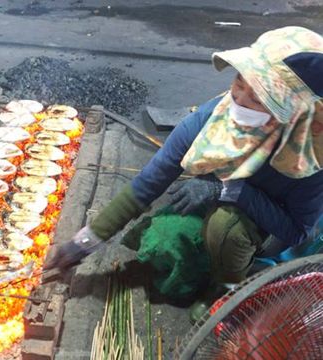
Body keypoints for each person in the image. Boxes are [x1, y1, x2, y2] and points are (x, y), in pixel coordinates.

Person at [44, 26, 323, 319]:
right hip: (221, 204)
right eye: (239, 81)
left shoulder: (309, 158)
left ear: (292, 111)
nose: (238, 100)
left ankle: (226, 289)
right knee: (164, 239)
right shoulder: (214, 116)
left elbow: (295, 231)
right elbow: (149, 181)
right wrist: (83, 243)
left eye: (257, 98)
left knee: (224, 228)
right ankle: (213, 257)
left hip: (268, 224)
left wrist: (228, 191)